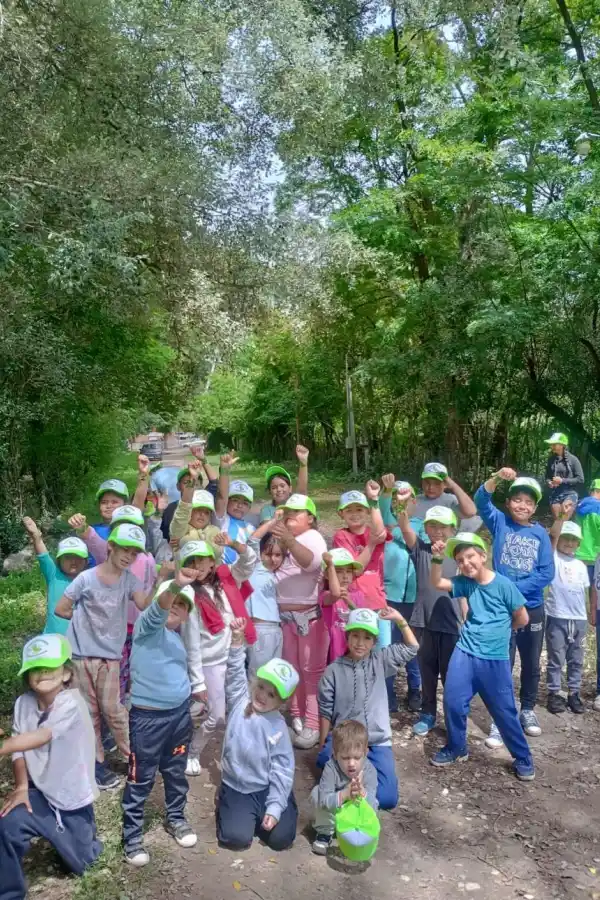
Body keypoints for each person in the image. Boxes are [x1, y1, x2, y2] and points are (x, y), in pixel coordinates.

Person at [0, 634, 102, 899]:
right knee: (6, 826)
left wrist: (4, 745)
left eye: (49, 666)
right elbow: (20, 750)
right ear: (27, 675)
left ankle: (82, 837)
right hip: (39, 794)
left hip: (71, 798)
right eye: (35, 668)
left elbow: (43, 735)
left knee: (84, 864)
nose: (42, 672)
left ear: (67, 673)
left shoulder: (72, 703)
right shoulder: (23, 704)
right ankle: (9, 892)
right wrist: (22, 786)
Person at [54, 523, 154, 790]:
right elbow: (61, 608)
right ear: (110, 546)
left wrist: (163, 577)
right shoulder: (86, 578)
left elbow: (143, 604)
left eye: (134, 554)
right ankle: (96, 764)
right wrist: (84, 624)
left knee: (114, 710)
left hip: (110, 657)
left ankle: (132, 756)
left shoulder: (129, 581)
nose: (128, 556)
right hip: (81, 657)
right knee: (89, 713)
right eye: (125, 549)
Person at [429, 532, 535, 781]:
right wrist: (436, 559)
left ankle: (523, 757)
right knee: (453, 702)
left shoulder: (504, 585)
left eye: (470, 557)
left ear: (483, 556)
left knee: (504, 711)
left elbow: (522, 617)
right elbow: (437, 583)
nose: (465, 563)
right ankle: (457, 747)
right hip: (465, 652)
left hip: (495, 659)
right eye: (460, 560)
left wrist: (502, 631)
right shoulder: (465, 583)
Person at [122, 573, 199, 867]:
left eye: (183, 605)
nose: (176, 607)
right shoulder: (147, 627)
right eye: (172, 602)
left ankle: (176, 818)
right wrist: (175, 585)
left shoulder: (177, 639)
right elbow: (157, 611)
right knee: (140, 777)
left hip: (178, 718)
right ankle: (132, 837)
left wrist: (193, 695)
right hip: (147, 720)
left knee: (175, 771)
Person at [475, 470, 554, 746]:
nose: (523, 505)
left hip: (531, 608)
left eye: (529, 502)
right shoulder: (500, 523)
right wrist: (496, 476)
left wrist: (512, 590)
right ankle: (500, 718)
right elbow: (481, 500)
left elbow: (546, 573)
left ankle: (528, 709)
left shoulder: (541, 534)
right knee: (503, 663)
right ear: (509, 502)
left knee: (531, 662)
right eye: (517, 499)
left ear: (535, 507)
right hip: (502, 611)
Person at [317, 607, 418, 810]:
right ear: (347, 637)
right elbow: (325, 711)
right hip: (345, 739)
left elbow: (412, 647)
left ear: (374, 641)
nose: (360, 643)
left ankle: (360, 783)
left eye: (367, 637)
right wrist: (323, 745)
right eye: (355, 636)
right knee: (323, 764)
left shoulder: (381, 660)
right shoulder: (333, 671)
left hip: (377, 740)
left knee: (388, 798)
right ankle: (353, 783)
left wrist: (400, 619)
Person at [216, 618, 299, 852]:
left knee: (281, 840)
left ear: (281, 702)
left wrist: (274, 808)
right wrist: (236, 641)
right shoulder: (240, 700)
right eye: (262, 687)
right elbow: (234, 674)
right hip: (237, 786)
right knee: (236, 839)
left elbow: (282, 768)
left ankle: (280, 803)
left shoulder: (279, 727)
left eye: (272, 695)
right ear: (255, 682)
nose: (263, 696)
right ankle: (233, 809)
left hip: (264, 787)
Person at [178, 537, 257, 776]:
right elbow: (191, 642)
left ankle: (236, 755)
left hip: (233, 657)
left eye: (204, 561)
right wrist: (198, 681)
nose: (199, 567)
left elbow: (250, 561)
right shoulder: (188, 595)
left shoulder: (225, 580)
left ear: (213, 561)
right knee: (216, 717)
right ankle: (191, 752)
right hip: (210, 663)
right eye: (193, 562)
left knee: (242, 710)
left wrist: (234, 544)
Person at [67, 506, 158, 704]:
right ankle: (112, 703)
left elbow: (149, 587)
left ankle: (133, 701)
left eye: (133, 527)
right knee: (117, 669)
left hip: (139, 625)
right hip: (116, 626)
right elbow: (90, 537)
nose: (130, 533)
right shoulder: (107, 550)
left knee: (138, 665)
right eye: (122, 526)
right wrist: (81, 526)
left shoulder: (147, 558)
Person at [395, 495, 462, 736]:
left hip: (450, 623)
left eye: (442, 527)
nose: (437, 531)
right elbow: (403, 526)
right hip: (423, 620)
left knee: (450, 675)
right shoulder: (421, 550)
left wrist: (466, 620)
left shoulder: (458, 557)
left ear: (452, 529)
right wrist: (402, 505)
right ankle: (428, 713)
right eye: (432, 526)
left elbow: (464, 593)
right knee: (427, 672)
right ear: (425, 529)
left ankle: (454, 716)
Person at [268, 494, 328, 749]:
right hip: (283, 617)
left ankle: (313, 723)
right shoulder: (281, 537)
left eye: (297, 511)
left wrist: (289, 539)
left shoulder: (313, 538)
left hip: (308, 617)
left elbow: (311, 562)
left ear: (311, 518)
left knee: (311, 671)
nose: (290, 513)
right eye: (287, 510)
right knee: (291, 668)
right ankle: (296, 715)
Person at [379, 476, 423, 712]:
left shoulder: (421, 524)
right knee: (386, 645)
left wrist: (395, 529)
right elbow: (382, 511)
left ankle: (415, 689)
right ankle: (388, 693)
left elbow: (410, 539)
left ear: (413, 501)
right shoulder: (384, 521)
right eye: (396, 498)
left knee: (411, 645)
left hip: (413, 597)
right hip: (388, 594)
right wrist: (386, 492)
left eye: (405, 497)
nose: (400, 502)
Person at [310, 719, 378, 855]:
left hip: (355, 815)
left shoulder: (369, 770)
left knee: (374, 802)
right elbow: (324, 800)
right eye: (345, 758)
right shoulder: (330, 768)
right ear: (335, 755)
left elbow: (372, 804)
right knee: (317, 793)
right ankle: (325, 832)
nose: (351, 763)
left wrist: (362, 793)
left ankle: (358, 832)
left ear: (366, 752)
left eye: (357, 757)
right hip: (335, 811)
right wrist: (345, 794)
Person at [546, 513, 589, 715]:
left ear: (579, 543)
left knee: (576, 658)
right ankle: (554, 693)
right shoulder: (553, 558)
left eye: (573, 540)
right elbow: (552, 535)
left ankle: (573, 692)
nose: (569, 543)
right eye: (566, 538)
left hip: (579, 619)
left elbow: (585, 592)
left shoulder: (580, 566)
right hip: (557, 616)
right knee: (556, 657)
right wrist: (562, 515)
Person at [21, 518, 89, 635]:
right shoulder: (54, 575)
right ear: (59, 560)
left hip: (80, 643)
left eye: (78, 557)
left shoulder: (90, 581)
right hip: (53, 640)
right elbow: (43, 555)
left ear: (86, 561)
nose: (73, 561)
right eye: (68, 557)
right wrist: (36, 536)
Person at [332, 482, 389, 610]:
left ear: (368, 511)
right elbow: (355, 569)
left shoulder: (373, 532)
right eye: (349, 510)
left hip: (377, 601)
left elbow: (380, 532)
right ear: (341, 514)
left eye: (359, 509)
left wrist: (374, 500)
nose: (354, 514)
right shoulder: (341, 536)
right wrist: (371, 545)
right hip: (353, 602)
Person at [245, 523, 286, 677]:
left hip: (276, 630)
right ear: (260, 554)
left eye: (278, 555)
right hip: (260, 628)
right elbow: (253, 540)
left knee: (273, 678)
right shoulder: (255, 567)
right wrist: (273, 522)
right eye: (268, 554)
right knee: (257, 676)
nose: (273, 559)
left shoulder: (278, 574)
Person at [160, 444, 219, 541]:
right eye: (186, 482)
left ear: (201, 487)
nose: (193, 487)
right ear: (178, 487)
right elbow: (169, 535)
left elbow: (215, 484)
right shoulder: (172, 509)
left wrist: (203, 460)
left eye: (196, 483)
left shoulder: (206, 501)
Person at [320, 549, 366, 661]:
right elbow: (334, 595)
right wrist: (330, 565)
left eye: (349, 571)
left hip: (353, 648)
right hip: (332, 649)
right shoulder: (325, 595)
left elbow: (364, 621)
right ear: (328, 574)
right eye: (339, 571)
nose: (345, 576)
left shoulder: (358, 595)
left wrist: (350, 603)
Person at [169, 459, 222, 553]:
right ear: (190, 511)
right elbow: (183, 510)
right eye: (198, 510)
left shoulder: (215, 530)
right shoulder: (181, 530)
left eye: (207, 512)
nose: (202, 514)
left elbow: (217, 552)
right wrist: (192, 479)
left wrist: (184, 542)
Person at [215, 453, 256, 564]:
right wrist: (224, 470)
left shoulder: (250, 529)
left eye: (245, 503)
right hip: (219, 569)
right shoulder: (221, 519)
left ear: (250, 507)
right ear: (228, 501)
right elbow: (222, 496)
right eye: (235, 500)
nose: (240, 505)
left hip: (239, 572)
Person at [414, 462, 479, 531]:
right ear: (422, 482)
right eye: (427, 482)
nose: (431, 487)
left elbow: (471, 512)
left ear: (445, 484)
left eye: (437, 483)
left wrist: (453, 486)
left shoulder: (450, 500)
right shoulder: (415, 500)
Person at [259, 445, 310, 522]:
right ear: (269, 492)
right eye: (274, 487)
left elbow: (302, 491)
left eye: (282, 486)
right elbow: (267, 528)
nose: (279, 489)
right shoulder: (267, 510)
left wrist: (303, 464)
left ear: (290, 488)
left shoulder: (296, 505)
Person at [544, 433, 584, 519]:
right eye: (551, 444)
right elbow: (547, 476)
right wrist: (549, 482)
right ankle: (557, 532)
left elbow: (580, 479)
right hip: (555, 494)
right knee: (558, 519)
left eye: (555, 444)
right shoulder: (551, 460)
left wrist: (562, 480)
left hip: (570, 493)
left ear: (562, 445)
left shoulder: (573, 459)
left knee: (563, 518)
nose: (552, 446)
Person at [575, 478, 600, 583]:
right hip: (596, 555)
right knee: (595, 591)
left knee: (577, 590)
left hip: (578, 553)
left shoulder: (579, 505)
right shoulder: (598, 507)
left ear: (591, 491)